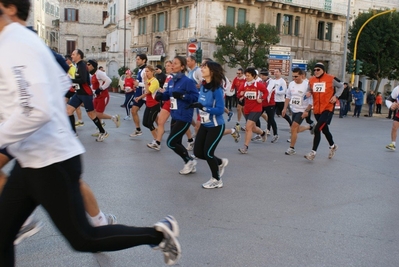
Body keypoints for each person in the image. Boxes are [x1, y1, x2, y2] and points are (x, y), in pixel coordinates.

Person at [0, 7, 181, 266]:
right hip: (31, 157)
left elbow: (35, 110)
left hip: (50, 160)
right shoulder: (16, 42)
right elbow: (60, 86)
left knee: (84, 239)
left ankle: (158, 234)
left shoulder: (16, 44)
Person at [187, 61, 228, 189]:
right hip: (205, 124)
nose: (202, 69)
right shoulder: (204, 86)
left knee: (208, 153)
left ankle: (216, 179)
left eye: (205, 67)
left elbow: (220, 110)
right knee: (199, 152)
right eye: (202, 67)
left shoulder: (217, 89)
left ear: (212, 71)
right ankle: (220, 162)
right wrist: (194, 104)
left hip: (216, 126)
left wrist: (204, 108)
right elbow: (201, 101)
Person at [157, 56, 199, 174]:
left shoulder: (187, 81)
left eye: (175, 64)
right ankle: (189, 163)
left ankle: (189, 160)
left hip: (184, 116)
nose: (172, 65)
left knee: (171, 142)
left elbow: (196, 97)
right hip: (174, 115)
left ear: (182, 67)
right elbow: (169, 95)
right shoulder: (171, 81)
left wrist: (182, 96)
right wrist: (161, 96)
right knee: (177, 143)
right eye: (172, 64)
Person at [66, 49, 109, 141]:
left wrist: (70, 81)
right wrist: (74, 85)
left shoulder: (82, 66)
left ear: (79, 56)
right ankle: (73, 133)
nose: (72, 56)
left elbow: (84, 80)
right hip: (78, 93)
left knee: (91, 114)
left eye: (73, 54)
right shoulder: (77, 65)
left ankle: (102, 131)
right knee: (68, 111)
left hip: (86, 93)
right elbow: (79, 81)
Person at [304, 62, 343, 161]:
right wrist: (308, 92)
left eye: (318, 70)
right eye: (314, 70)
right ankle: (333, 146)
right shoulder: (312, 80)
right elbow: (309, 90)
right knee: (325, 130)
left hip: (327, 108)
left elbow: (342, 86)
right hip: (317, 109)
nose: (316, 71)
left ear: (323, 70)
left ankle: (313, 153)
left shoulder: (331, 78)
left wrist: (336, 96)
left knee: (317, 129)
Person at [282, 68, 313, 155]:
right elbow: (288, 97)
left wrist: (307, 111)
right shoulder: (291, 84)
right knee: (294, 129)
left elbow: (311, 100)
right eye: (293, 76)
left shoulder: (307, 85)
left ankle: (291, 148)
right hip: (294, 109)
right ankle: (309, 127)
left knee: (294, 127)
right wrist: (284, 108)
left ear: (301, 76)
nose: (294, 78)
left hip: (302, 110)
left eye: (296, 76)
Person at [237, 67, 268, 154]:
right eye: (246, 75)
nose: (246, 77)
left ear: (253, 76)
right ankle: (262, 133)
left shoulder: (258, 85)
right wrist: (241, 95)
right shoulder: (244, 84)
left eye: (248, 76)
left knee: (248, 127)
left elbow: (266, 92)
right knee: (253, 128)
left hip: (256, 108)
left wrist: (261, 99)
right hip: (247, 108)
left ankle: (245, 147)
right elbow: (238, 94)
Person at [87, 59, 121, 133]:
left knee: (98, 114)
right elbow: (93, 85)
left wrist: (101, 88)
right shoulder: (92, 74)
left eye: (89, 64)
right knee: (93, 113)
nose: (87, 66)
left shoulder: (99, 73)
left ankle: (114, 118)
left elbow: (109, 80)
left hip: (103, 96)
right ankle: (100, 130)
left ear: (93, 66)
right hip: (96, 96)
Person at [147, 60, 173, 151]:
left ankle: (190, 140)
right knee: (161, 122)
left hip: (175, 102)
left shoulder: (175, 77)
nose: (166, 67)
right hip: (167, 102)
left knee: (181, 123)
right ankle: (157, 142)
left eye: (168, 65)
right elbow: (166, 89)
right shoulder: (168, 77)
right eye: (166, 65)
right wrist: (162, 91)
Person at [137, 65, 161, 144]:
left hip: (155, 105)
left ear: (152, 72)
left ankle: (156, 141)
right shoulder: (149, 81)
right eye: (145, 71)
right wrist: (139, 97)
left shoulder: (154, 81)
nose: (146, 73)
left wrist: (145, 81)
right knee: (145, 123)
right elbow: (146, 93)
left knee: (150, 123)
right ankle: (157, 131)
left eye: (147, 71)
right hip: (148, 104)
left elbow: (148, 91)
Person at [130, 54, 147, 137]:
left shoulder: (145, 70)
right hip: (139, 93)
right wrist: (135, 85)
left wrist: (138, 84)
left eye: (138, 59)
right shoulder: (140, 70)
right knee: (133, 110)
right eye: (136, 59)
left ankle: (160, 127)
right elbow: (139, 81)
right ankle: (138, 129)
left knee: (152, 115)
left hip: (145, 94)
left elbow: (148, 84)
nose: (137, 61)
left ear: (144, 60)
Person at [65, 55, 84, 127]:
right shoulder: (68, 67)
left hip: (73, 88)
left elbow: (74, 78)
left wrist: (74, 88)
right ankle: (66, 117)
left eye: (66, 60)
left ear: (69, 60)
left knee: (77, 106)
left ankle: (80, 120)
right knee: (64, 101)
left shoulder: (72, 68)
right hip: (68, 88)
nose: (65, 61)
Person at [385, 85, 399, 151]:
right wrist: (391, 106)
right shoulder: (398, 89)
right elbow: (388, 100)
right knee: (394, 127)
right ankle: (393, 144)